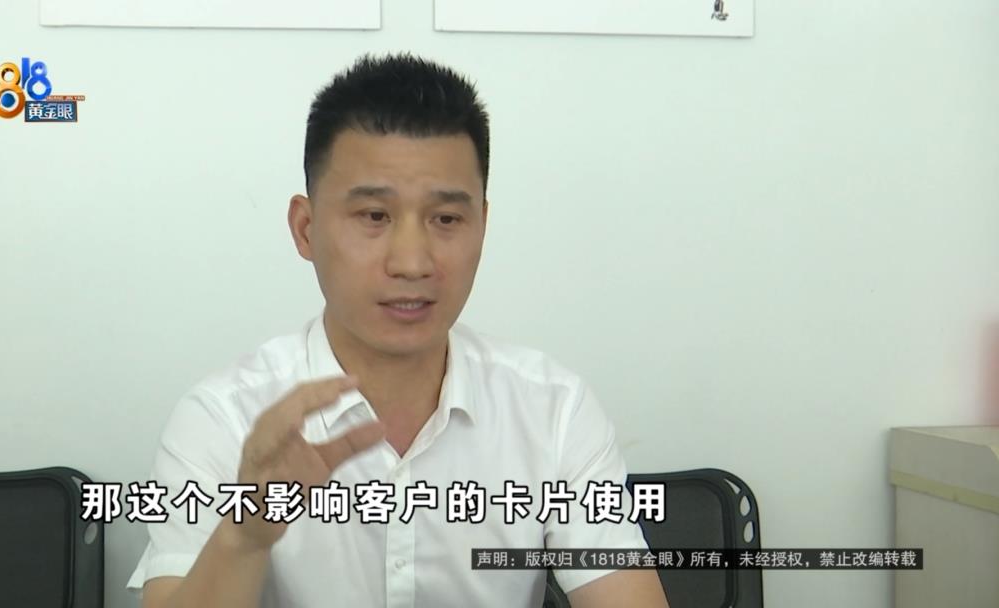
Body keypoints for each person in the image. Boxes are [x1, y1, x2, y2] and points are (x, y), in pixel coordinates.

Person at [128, 52, 669, 608]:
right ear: (306, 229)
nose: (412, 263)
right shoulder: (223, 418)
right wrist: (243, 536)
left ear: (482, 226)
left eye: (446, 219)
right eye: (374, 216)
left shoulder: (553, 410)